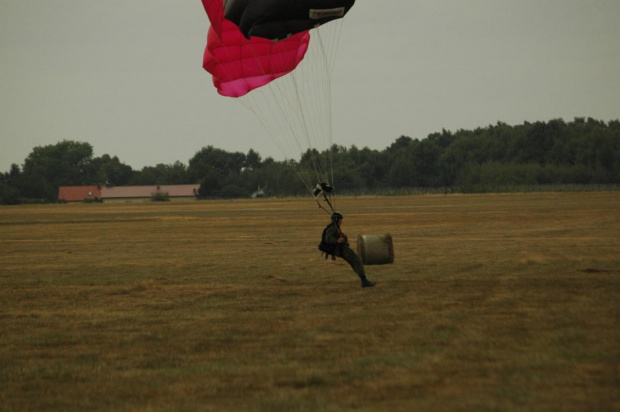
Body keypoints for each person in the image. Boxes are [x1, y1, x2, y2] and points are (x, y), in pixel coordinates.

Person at [320, 212, 376, 288]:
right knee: (356, 260)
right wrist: (337, 240)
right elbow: (328, 238)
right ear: (337, 220)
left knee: (354, 262)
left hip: (340, 249)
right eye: (340, 219)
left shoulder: (336, 227)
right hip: (341, 249)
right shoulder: (332, 228)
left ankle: (364, 280)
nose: (342, 221)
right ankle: (364, 281)